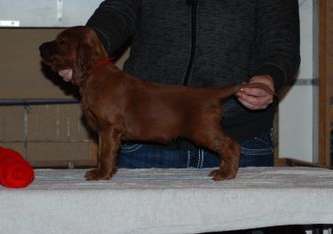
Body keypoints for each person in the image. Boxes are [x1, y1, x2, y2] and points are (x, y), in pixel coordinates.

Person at [83, 0, 300, 169]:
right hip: (146, 133)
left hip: (238, 136)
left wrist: (268, 77)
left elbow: (281, 40)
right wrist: (84, 50)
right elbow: (118, 11)